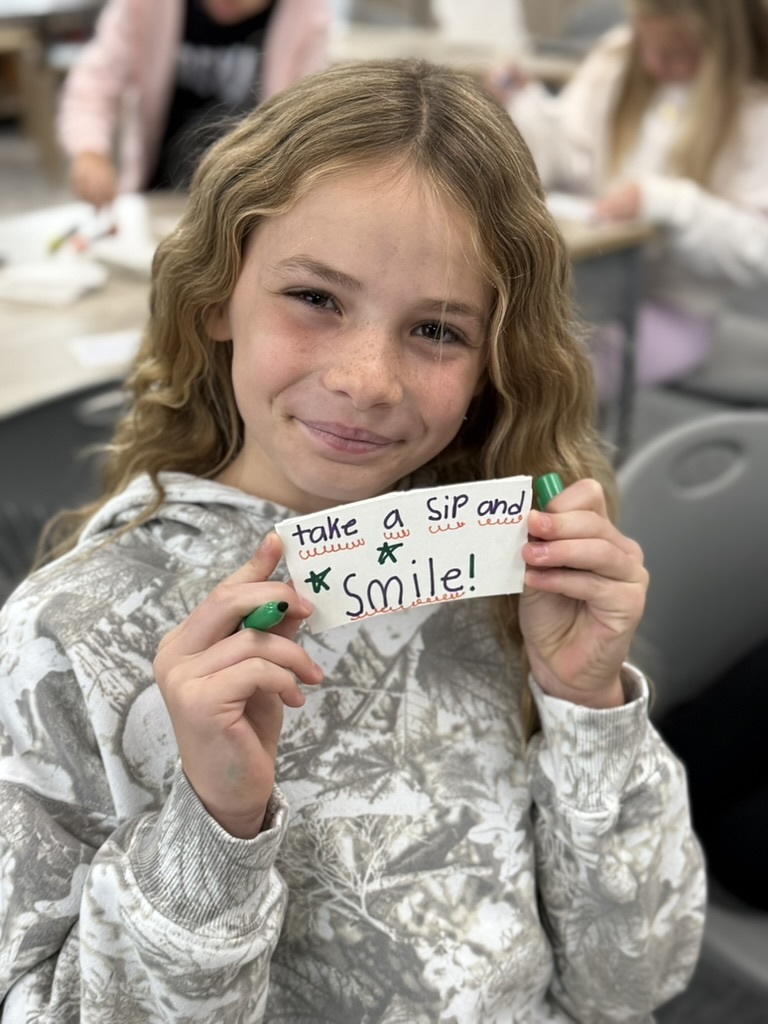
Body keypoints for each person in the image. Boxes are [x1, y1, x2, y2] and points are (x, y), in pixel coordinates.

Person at [0, 58, 706, 1022]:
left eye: (438, 332)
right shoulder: (68, 634)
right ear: (218, 294)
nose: (369, 379)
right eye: (317, 299)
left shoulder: (506, 577)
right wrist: (213, 827)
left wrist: (584, 705)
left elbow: (634, 981)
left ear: (495, 361)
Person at [496, 0, 768, 398]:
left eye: (675, 54)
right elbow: (563, 156)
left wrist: (672, 206)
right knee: (485, 346)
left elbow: (757, 248)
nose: (654, 65)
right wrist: (524, 107)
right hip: (575, 291)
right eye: (645, 44)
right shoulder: (619, 56)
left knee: (539, 378)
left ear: (723, 45)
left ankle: (550, 460)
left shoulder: (755, 108)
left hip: (671, 312)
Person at [57, 0, 331, 206]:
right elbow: (93, 81)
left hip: (246, 205)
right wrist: (89, 152)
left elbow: (306, 122)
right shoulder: (146, 6)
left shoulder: (306, 15)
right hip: (159, 192)